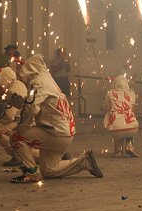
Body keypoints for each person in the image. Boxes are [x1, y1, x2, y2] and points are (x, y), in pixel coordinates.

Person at [9, 54, 103, 183]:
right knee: (48, 171)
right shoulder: (48, 80)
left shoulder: (38, 82)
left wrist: (22, 127)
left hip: (54, 133)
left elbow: (30, 108)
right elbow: (33, 104)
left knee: (16, 136)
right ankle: (84, 162)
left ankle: (31, 173)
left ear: (30, 70)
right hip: (65, 134)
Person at [0, 67, 29, 167]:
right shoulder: (19, 84)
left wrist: (1, 121)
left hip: (19, 121)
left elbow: (10, 114)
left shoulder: (13, 89)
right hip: (24, 119)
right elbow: (0, 98)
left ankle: (17, 155)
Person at [103, 74, 139, 157]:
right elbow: (133, 109)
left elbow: (104, 109)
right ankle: (129, 145)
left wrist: (108, 105)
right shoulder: (132, 93)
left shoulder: (110, 93)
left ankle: (118, 149)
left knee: (113, 117)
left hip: (115, 129)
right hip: (132, 128)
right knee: (129, 117)